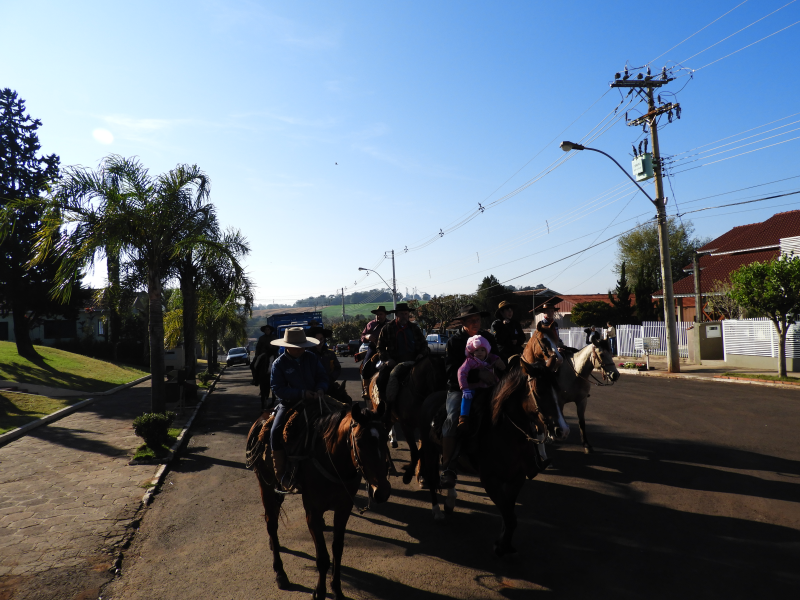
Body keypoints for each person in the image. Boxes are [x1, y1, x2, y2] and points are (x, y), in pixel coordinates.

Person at [442, 304, 503, 489]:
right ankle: (449, 467)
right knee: (453, 419)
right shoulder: (455, 342)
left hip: (488, 386)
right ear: (463, 323)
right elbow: (451, 371)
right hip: (460, 389)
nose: (476, 323)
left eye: (478, 320)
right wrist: (477, 375)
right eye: (472, 320)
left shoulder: (488, 337)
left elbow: (496, 359)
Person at [269, 327, 328, 490]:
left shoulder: (312, 358)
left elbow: (322, 377)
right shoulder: (279, 364)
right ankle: (280, 473)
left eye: (302, 345)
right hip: (289, 404)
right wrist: (301, 393)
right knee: (275, 431)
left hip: (316, 400)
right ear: (287, 346)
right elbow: (277, 388)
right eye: (297, 346)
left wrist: (321, 389)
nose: (301, 349)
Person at [376, 302, 429, 406]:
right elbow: (380, 347)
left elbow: (424, 345)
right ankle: (385, 407)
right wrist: (387, 359)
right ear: (396, 315)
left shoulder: (414, 328)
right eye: (402, 314)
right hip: (394, 362)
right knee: (381, 380)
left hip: (415, 361)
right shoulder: (387, 328)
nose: (404, 316)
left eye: (406, 313)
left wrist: (421, 355)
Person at [457, 335, 503, 433]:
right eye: (477, 350)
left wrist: (498, 359)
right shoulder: (469, 361)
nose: (479, 353)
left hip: (490, 387)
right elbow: (461, 373)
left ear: (487, 351)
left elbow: (494, 358)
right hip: (474, 388)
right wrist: (465, 388)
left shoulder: (489, 361)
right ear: (472, 351)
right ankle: (464, 418)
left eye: (482, 350)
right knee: (467, 399)